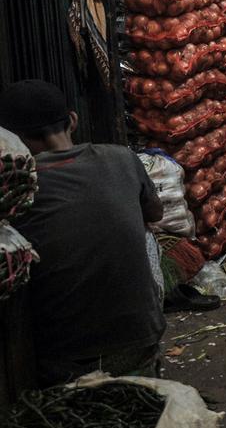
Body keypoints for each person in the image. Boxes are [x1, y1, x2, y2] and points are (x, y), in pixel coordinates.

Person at [0, 79, 166, 386]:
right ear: (73, 120)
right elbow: (156, 214)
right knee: (145, 229)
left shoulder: (21, 190)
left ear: (13, 142)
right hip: (139, 340)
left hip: (64, 358)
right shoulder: (122, 157)